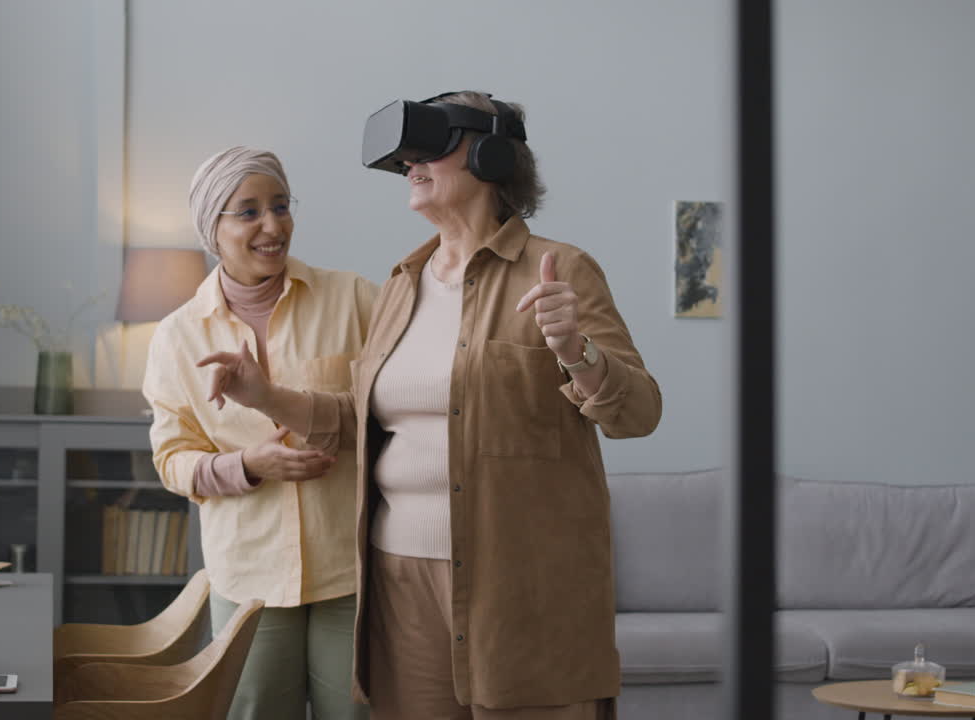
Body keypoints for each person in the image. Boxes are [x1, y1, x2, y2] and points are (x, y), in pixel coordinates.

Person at [198, 93, 661, 719]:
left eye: (433, 147)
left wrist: (577, 352)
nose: (412, 164)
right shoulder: (401, 284)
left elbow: (639, 414)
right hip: (399, 582)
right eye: (407, 156)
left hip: (520, 584)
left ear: (493, 156)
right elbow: (363, 420)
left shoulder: (561, 270)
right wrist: (264, 396)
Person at [143, 146, 376, 720]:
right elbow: (172, 459)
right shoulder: (177, 336)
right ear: (212, 230)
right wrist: (246, 466)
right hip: (248, 573)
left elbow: (389, 412)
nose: (273, 226)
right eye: (248, 212)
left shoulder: (355, 299)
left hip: (350, 568)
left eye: (281, 206)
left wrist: (290, 405)